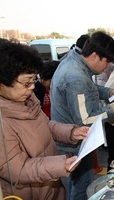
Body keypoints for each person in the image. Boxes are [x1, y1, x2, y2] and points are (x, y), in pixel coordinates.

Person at [0, 39, 89, 200]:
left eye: (34, 80)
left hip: (50, 187)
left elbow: (46, 125)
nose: (32, 87)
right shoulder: (3, 119)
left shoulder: (27, 98)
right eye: (27, 83)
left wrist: (72, 132)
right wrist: (60, 165)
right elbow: (17, 170)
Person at [50, 31, 114, 200]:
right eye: (107, 61)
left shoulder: (75, 61)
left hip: (72, 138)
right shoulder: (76, 77)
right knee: (81, 187)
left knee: (75, 185)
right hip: (74, 144)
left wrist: (110, 92)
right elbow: (85, 120)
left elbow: (89, 90)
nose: (107, 66)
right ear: (94, 56)